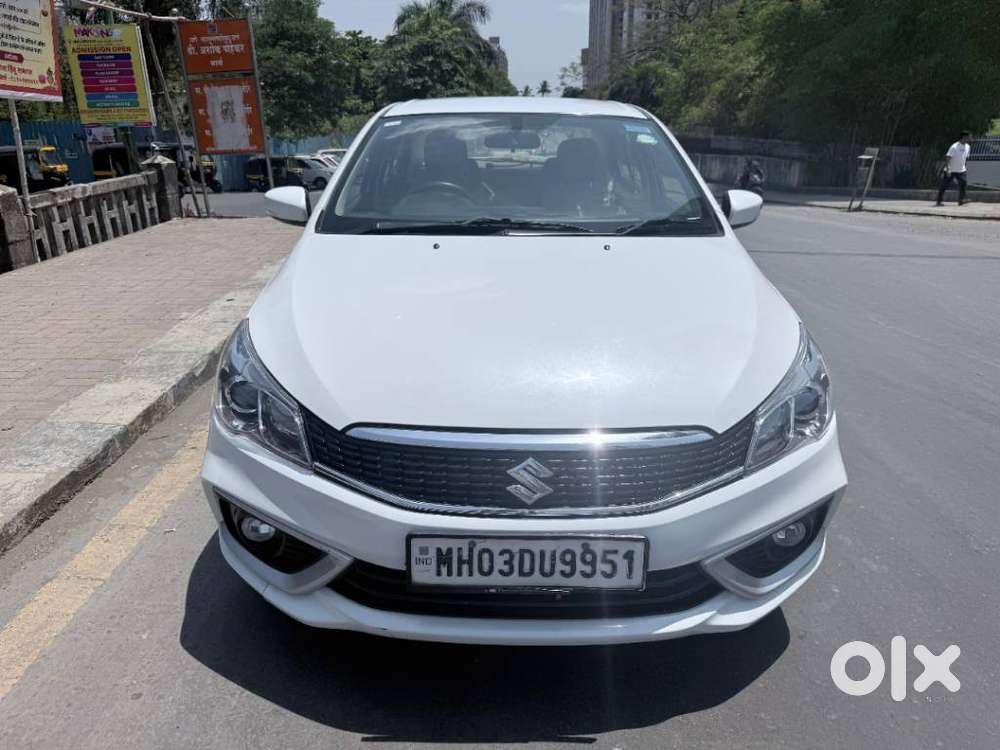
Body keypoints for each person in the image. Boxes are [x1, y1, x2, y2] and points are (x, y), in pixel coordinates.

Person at [936, 131, 973, 206]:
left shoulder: (968, 147)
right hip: (951, 170)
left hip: (961, 170)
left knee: (963, 184)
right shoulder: (954, 146)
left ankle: (961, 200)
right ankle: (939, 201)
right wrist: (948, 169)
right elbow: (948, 158)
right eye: (970, 137)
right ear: (964, 137)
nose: (971, 138)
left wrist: (964, 167)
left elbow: (964, 158)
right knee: (944, 185)